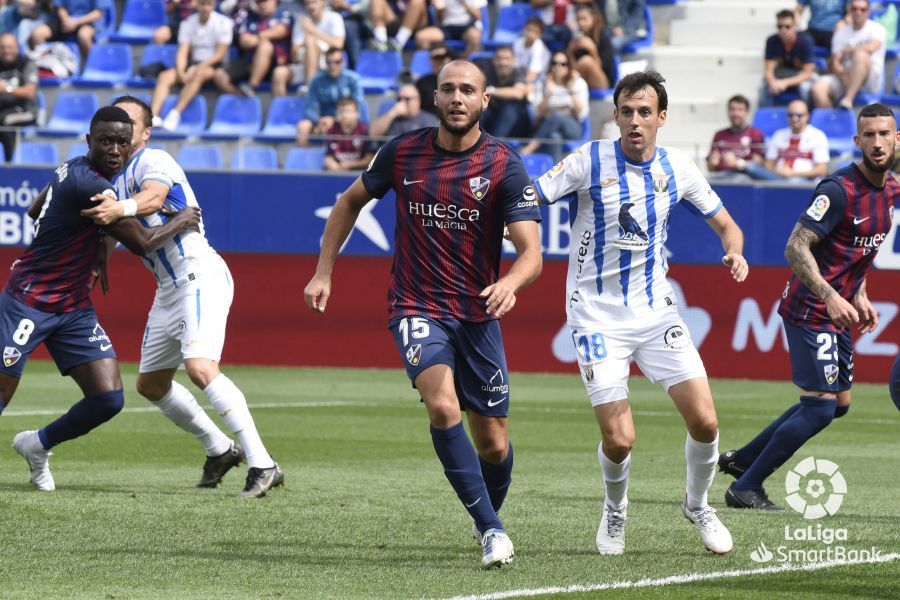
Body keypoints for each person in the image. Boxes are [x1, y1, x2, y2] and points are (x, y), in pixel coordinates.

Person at [303, 59, 543, 568]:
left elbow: (532, 253)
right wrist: (324, 270)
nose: (458, 98)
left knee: (495, 445)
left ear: (484, 101)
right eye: (448, 89)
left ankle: (487, 517)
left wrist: (510, 282)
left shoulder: (504, 163)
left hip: (477, 312)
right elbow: (347, 203)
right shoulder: (402, 151)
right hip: (416, 304)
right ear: (435, 98)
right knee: (442, 406)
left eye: (468, 91)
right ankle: (492, 530)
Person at [532, 70, 746, 556]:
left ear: (661, 118)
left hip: (657, 314)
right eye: (626, 111)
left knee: (707, 423)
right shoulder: (588, 160)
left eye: (644, 112)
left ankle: (697, 503)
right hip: (595, 316)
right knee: (621, 439)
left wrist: (734, 251)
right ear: (615, 115)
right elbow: (532, 196)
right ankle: (615, 510)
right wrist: (512, 228)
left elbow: (728, 226)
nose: (634, 121)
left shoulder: (679, 169)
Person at [77, 95, 284, 498]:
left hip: (198, 275)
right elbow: (119, 232)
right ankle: (221, 449)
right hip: (168, 288)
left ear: (146, 132)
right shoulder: (110, 179)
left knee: (200, 367)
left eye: (130, 123)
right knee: (151, 385)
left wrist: (116, 211)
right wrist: (99, 255)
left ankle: (264, 463)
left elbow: (153, 198)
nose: (122, 130)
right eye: (115, 123)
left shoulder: (154, 160)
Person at [3, 105, 200, 491]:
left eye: (122, 143)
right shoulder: (93, 186)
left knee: (108, 399)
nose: (114, 149)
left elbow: (32, 209)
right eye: (106, 141)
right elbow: (143, 244)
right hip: (30, 301)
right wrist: (183, 218)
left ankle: (36, 445)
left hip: (73, 307)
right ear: (89, 140)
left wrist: (87, 241)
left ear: (132, 145)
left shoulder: (71, 166)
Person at [719, 102, 898, 510]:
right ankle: (745, 487)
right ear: (857, 141)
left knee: (838, 406)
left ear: (896, 139)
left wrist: (859, 292)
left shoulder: (891, 191)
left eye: (884, 134)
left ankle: (744, 459)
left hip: (840, 310)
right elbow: (795, 246)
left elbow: (857, 251)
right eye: (868, 135)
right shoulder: (838, 190)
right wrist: (831, 294)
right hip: (810, 308)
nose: (876, 142)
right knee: (819, 408)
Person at [150, 0, 232, 131]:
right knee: (164, 76)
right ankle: (154, 115)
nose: (205, 8)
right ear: (196, 4)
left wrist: (199, 67)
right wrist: (181, 71)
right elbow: (183, 51)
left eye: (209, 4)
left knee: (198, 74)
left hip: (214, 65)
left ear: (214, 5)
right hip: (193, 62)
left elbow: (220, 54)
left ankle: (175, 113)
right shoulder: (187, 23)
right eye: (202, 4)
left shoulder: (224, 23)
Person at [811, 0, 885, 110]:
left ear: (869, 11)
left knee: (860, 54)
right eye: (854, 9)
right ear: (849, 11)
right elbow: (835, 59)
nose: (858, 12)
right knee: (817, 89)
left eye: (862, 9)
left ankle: (848, 99)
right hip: (844, 78)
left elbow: (870, 48)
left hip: (869, 81)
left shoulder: (877, 29)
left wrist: (846, 50)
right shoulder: (841, 32)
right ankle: (831, 121)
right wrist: (842, 75)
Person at [212, 0, 292, 98]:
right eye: (258, 2)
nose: (262, 5)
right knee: (219, 75)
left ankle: (252, 86)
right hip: (251, 63)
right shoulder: (251, 17)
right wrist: (261, 37)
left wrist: (258, 37)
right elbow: (244, 41)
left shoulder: (283, 14)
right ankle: (241, 98)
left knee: (265, 46)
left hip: (276, 63)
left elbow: (282, 30)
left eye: (265, 1)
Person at [520, 51, 589, 163]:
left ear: (569, 66)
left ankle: (529, 148)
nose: (558, 67)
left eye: (563, 64)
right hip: (547, 125)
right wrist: (549, 94)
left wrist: (571, 91)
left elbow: (582, 113)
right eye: (554, 63)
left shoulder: (578, 83)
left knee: (557, 116)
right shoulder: (542, 83)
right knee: (554, 136)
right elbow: (537, 112)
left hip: (572, 126)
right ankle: (554, 171)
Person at [746, 99, 830, 181]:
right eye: (791, 115)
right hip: (777, 177)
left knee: (794, 181)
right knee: (751, 168)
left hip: (804, 180)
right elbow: (769, 164)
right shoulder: (779, 135)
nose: (794, 118)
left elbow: (822, 170)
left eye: (799, 115)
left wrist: (792, 173)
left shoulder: (818, 136)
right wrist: (777, 170)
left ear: (807, 116)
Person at [295, 45, 364, 146]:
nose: (333, 66)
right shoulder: (317, 80)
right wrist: (319, 121)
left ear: (343, 62)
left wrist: (336, 119)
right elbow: (308, 108)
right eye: (329, 62)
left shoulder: (353, 79)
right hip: (323, 121)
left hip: (345, 118)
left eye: (337, 62)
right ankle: (304, 159)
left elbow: (358, 106)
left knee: (349, 119)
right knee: (303, 126)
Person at [272, 0, 345, 92]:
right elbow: (294, 55)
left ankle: (309, 87)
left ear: (322, 2)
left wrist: (312, 31)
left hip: (328, 66)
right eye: (307, 3)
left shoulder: (334, 17)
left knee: (310, 41)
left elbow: (338, 44)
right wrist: (302, 47)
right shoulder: (301, 21)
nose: (311, 6)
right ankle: (280, 106)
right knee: (279, 73)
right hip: (303, 64)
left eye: (314, 2)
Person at [761, 9, 816, 106]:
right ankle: (768, 118)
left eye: (787, 26)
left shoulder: (805, 41)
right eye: (779, 26)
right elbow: (768, 70)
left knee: (806, 88)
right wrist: (772, 82)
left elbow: (807, 74)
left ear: (794, 26)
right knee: (764, 88)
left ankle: (805, 116)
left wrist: (784, 83)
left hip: (800, 75)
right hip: (781, 73)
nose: (783, 30)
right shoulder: (772, 41)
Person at [706, 95, 766, 180]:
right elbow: (710, 168)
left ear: (747, 113)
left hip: (744, 176)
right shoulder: (719, 135)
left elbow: (758, 164)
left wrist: (738, 163)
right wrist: (712, 163)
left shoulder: (755, 134)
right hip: (720, 175)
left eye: (740, 110)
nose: (736, 113)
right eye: (732, 109)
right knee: (705, 181)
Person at [0, 32, 38, 162]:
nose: (6, 51)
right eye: (2, 47)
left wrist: (6, 88)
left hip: (26, 110)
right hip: (3, 108)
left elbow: (30, 92)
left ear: (17, 48)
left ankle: (10, 163)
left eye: (9, 47)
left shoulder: (26, 64)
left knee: (4, 120)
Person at [29, 0, 109, 61]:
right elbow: (60, 7)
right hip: (64, 21)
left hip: (87, 22)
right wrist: (66, 20)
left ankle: (93, 66)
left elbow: (98, 13)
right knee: (37, 34)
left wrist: (76, 22)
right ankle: (45, 65)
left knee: (84, 36)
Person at [481, 45, 531, 140]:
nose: (503, 62)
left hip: (517, 123)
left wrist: (491, 90)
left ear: (513, 60)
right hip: (493, 116)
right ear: (494, 60)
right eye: (499, 58)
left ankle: (495, 144)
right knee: (481, 106)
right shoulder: (487, 72)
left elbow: (518, 94)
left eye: (507, 58)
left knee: (511, 107)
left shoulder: (518, 72)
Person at [568, 4, 616, 91]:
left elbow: (606, 68)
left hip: (603, 82)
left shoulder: (603, 37)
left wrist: (592, 50)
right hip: (581, 80)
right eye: (578, 19)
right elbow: (572, 69)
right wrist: (570, 51)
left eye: (584, 19)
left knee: (586, 61)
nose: (581, 23)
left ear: (593, 17)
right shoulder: (576, 38)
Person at [414, 0, 484, 56]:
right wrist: (438, 10)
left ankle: (465, 63)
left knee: (475, 37)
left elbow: (478, 15)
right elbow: (439, 18)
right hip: (447, 28)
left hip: (467, 27)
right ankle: (434, 64)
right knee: (421, 37)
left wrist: (463, 3)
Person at [323, 96, 376, 171]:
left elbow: (370, 158)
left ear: (357, 114)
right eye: (341, 112)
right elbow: (328, 157)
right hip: (337, 172)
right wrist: (333, 165)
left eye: (348, 111)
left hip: (359, 174)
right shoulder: (332, 131)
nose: (344, 115)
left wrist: (352, 164)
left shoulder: (364, 131)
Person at [369, 82, 437, 138]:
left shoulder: (428, 120)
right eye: (399, 99)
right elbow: (373, 134)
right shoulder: (391, 116)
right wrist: (392, 113)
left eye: (407, 99)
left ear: (417, 101)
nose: (401, 102)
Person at [415, 42, 452, 117]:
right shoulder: (422, 83)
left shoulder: (459, 80)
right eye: (436, 58)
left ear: (449, 58)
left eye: (442, 57)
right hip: (429, 123)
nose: (439, 61)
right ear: (430, 60)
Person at [513, 17, 550, 88]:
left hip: (537, 81)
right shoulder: (517, 42)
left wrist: (521, 85)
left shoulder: (539, 48)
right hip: (519, 75)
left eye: (535, 31)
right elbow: (513, 64)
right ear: (524, 29)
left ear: (540, 34)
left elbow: (533, 75)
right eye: (529, 30)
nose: (531, 34)